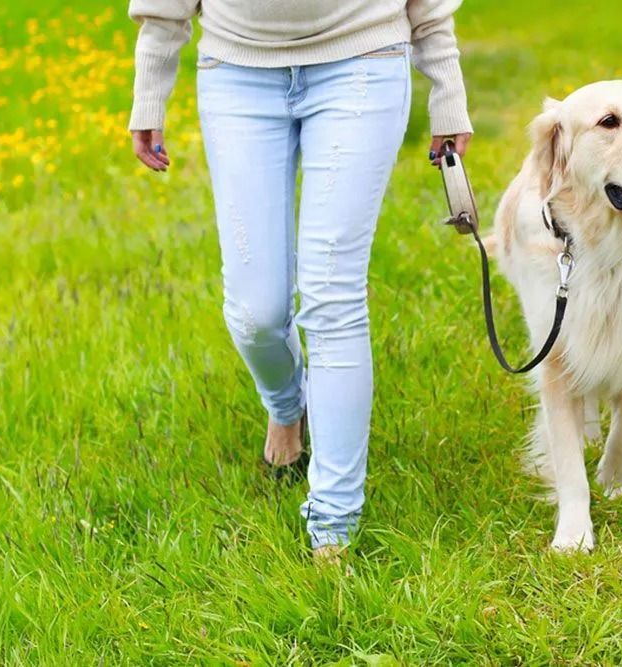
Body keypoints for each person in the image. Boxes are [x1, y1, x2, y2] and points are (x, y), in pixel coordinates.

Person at [127, 0, 472, 559]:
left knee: (333, 296)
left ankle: (333, 525)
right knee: (254, 311)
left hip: (363, 56)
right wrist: (150, 92)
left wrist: (448, 93)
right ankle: (288, 407)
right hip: (237, 72)